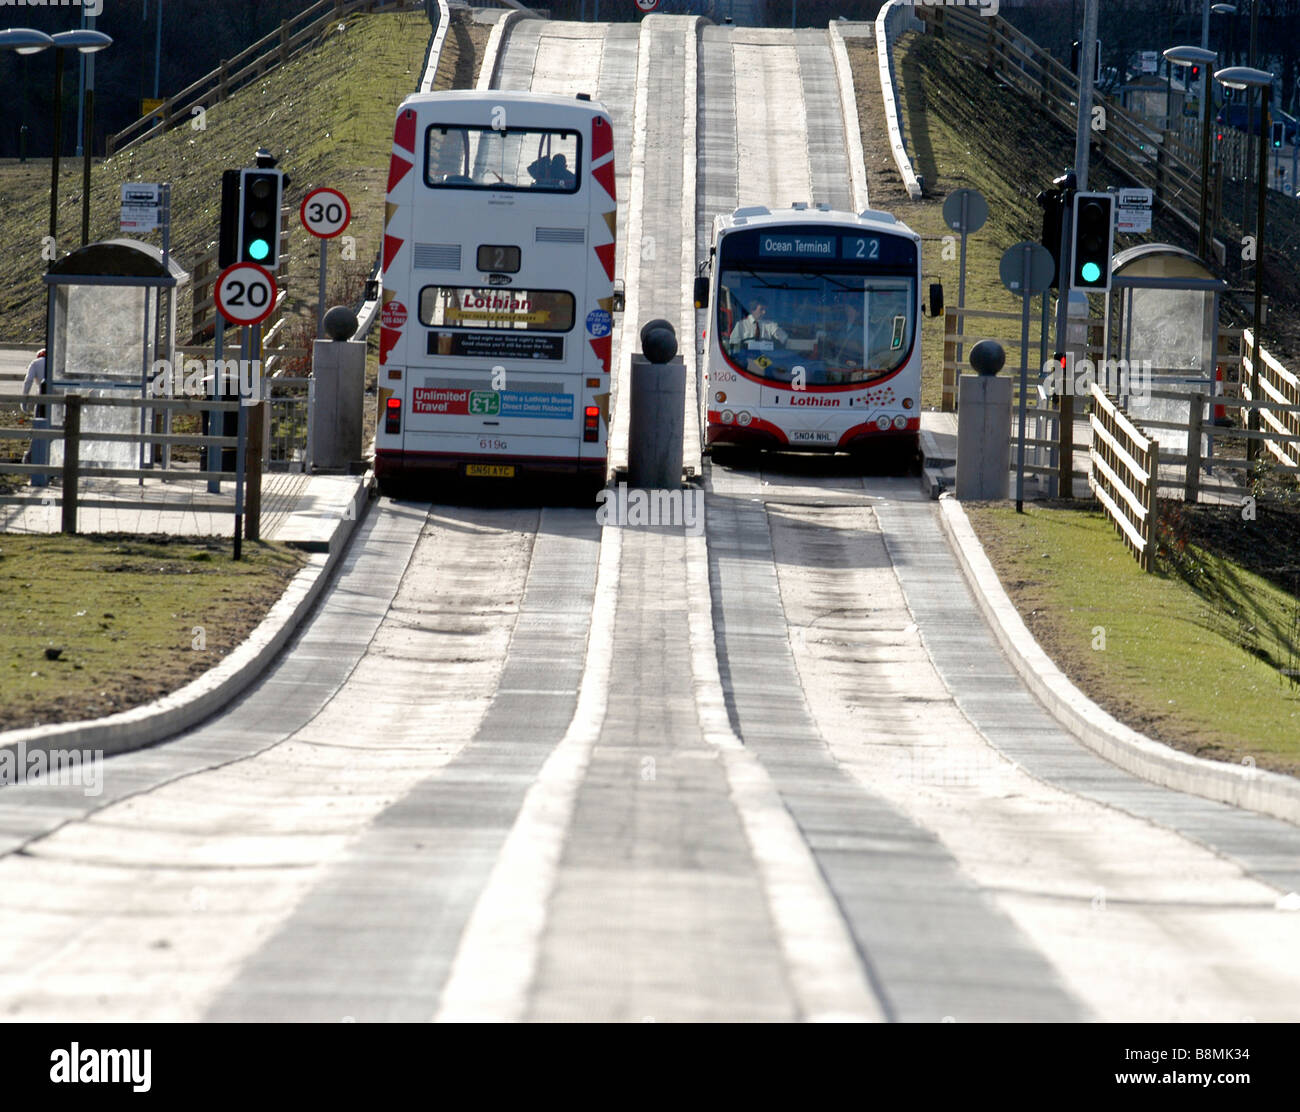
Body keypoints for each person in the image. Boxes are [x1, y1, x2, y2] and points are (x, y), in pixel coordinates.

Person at [21, 348, 45, 416]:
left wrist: (24, 401)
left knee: (39, 417)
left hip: (42, 393)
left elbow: (28, 381)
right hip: (57, 394)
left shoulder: (35, 363)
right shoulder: (56, 362)